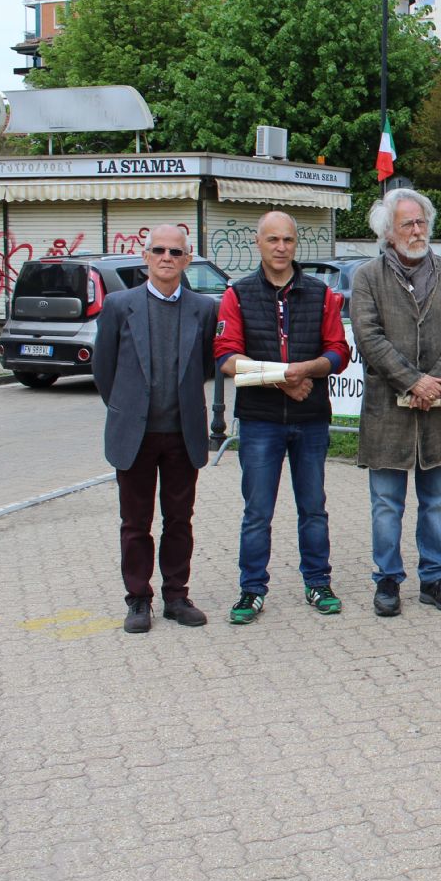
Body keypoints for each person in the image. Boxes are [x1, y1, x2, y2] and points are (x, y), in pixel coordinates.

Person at [215, 211, 350, 625]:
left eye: (288, 240)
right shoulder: (237, 294)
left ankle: (318, 582)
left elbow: (339, 351)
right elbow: (226, 357)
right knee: (257, 512)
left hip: (311, 418)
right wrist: (282, 380)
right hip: (260, 420)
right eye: (272, 239)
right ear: (258, 242)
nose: (280, 247)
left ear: (296, 244)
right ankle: (252, 589)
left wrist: (307, 369)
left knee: (314, 508)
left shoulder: (321, 293)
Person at [351, 188, 441, 617]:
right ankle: (387, 580)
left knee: (437, 501)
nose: (417, 230)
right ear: (389, 232)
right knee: (386, 504)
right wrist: (412, 382)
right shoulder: (367, 277)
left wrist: (434, 383)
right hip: (388, 410)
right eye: (408, 223)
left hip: (439, 409)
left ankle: (435, 579)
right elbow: (368, 337)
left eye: (422, 222)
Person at [93, 225, 218, 633]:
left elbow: (204, 366)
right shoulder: (119, 305)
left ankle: (176, 597)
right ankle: (138, 599)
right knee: (135, 522)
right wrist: (127, 408)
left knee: (179, 520)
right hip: (135, 434)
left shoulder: (204, 308)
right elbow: (104, 369)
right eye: (159, 250)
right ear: (145, 256)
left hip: (182, 433)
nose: (167, 257)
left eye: (175, 252)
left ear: (188, 259)